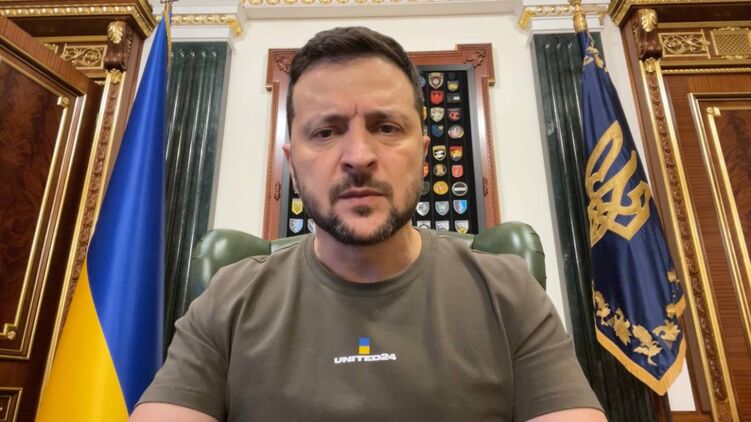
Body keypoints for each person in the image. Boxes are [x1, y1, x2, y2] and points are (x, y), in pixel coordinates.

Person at [131, 26, 606, 422]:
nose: (359, 156)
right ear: (292, 165)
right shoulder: (226, 300)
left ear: (423, 155)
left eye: (386, 127)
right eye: (325, 131)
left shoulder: (511, 293)